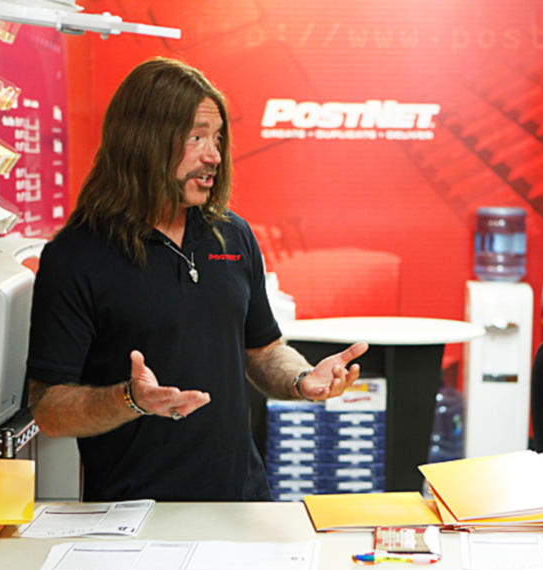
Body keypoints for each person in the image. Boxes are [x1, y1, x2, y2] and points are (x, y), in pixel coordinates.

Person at [27, 57, 367, 502]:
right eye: (196, 138)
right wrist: (129, 399)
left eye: (218, 138)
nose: (214, 156)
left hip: (241, 499)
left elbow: (262, 351)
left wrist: (303, 379)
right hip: (134, 515)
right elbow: (49, 409)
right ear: (143, 142)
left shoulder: (232, 234)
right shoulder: (75, 256)